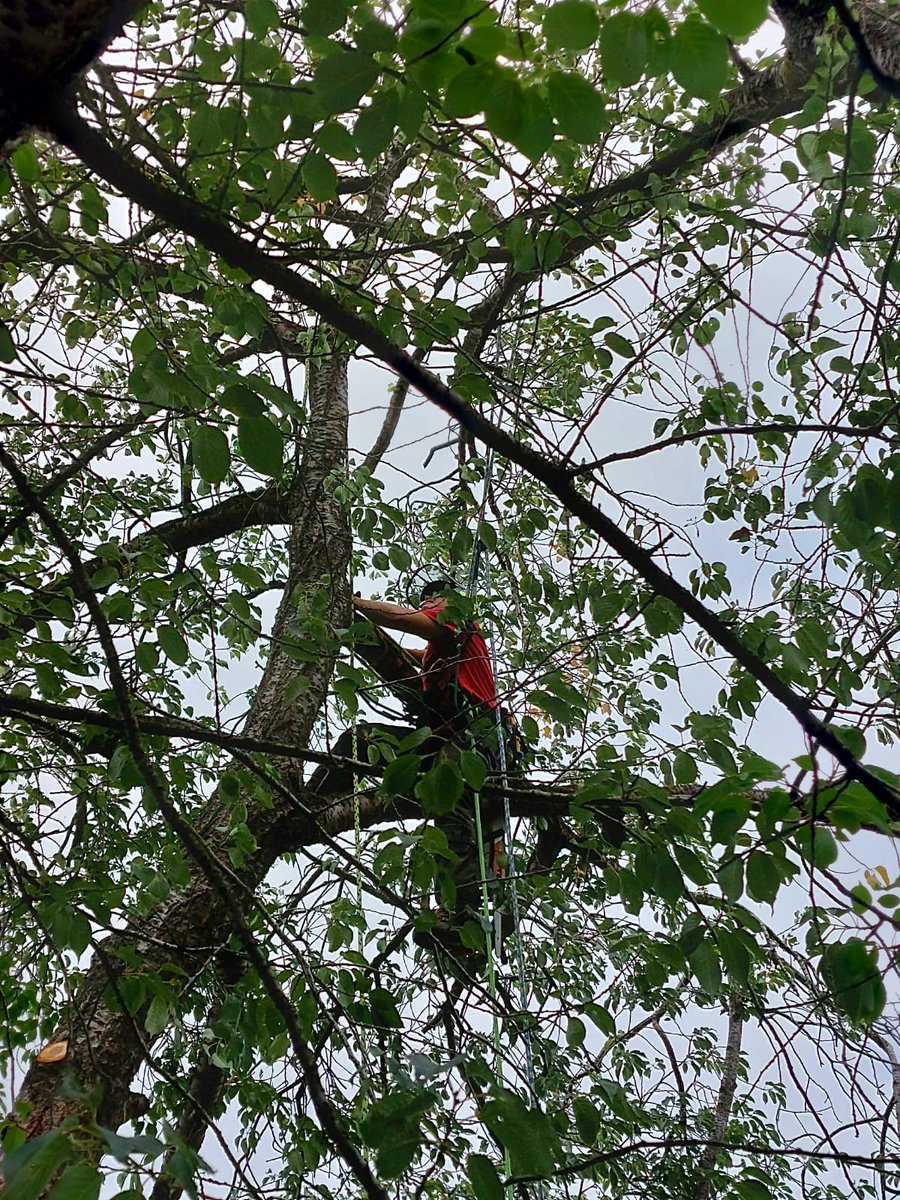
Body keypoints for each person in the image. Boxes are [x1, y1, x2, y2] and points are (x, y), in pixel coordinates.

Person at [351, 579, 507, 949]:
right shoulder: (437, 655)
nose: (428, 606)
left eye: (430, 601)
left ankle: (465, 911)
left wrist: (352, 602)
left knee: (451, 799)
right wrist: (358, 634)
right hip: (448, 737)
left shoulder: (457, 617)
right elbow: (410, 651)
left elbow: (412, 621)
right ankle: (316, 799)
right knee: (362, 742)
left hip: (476, 735)